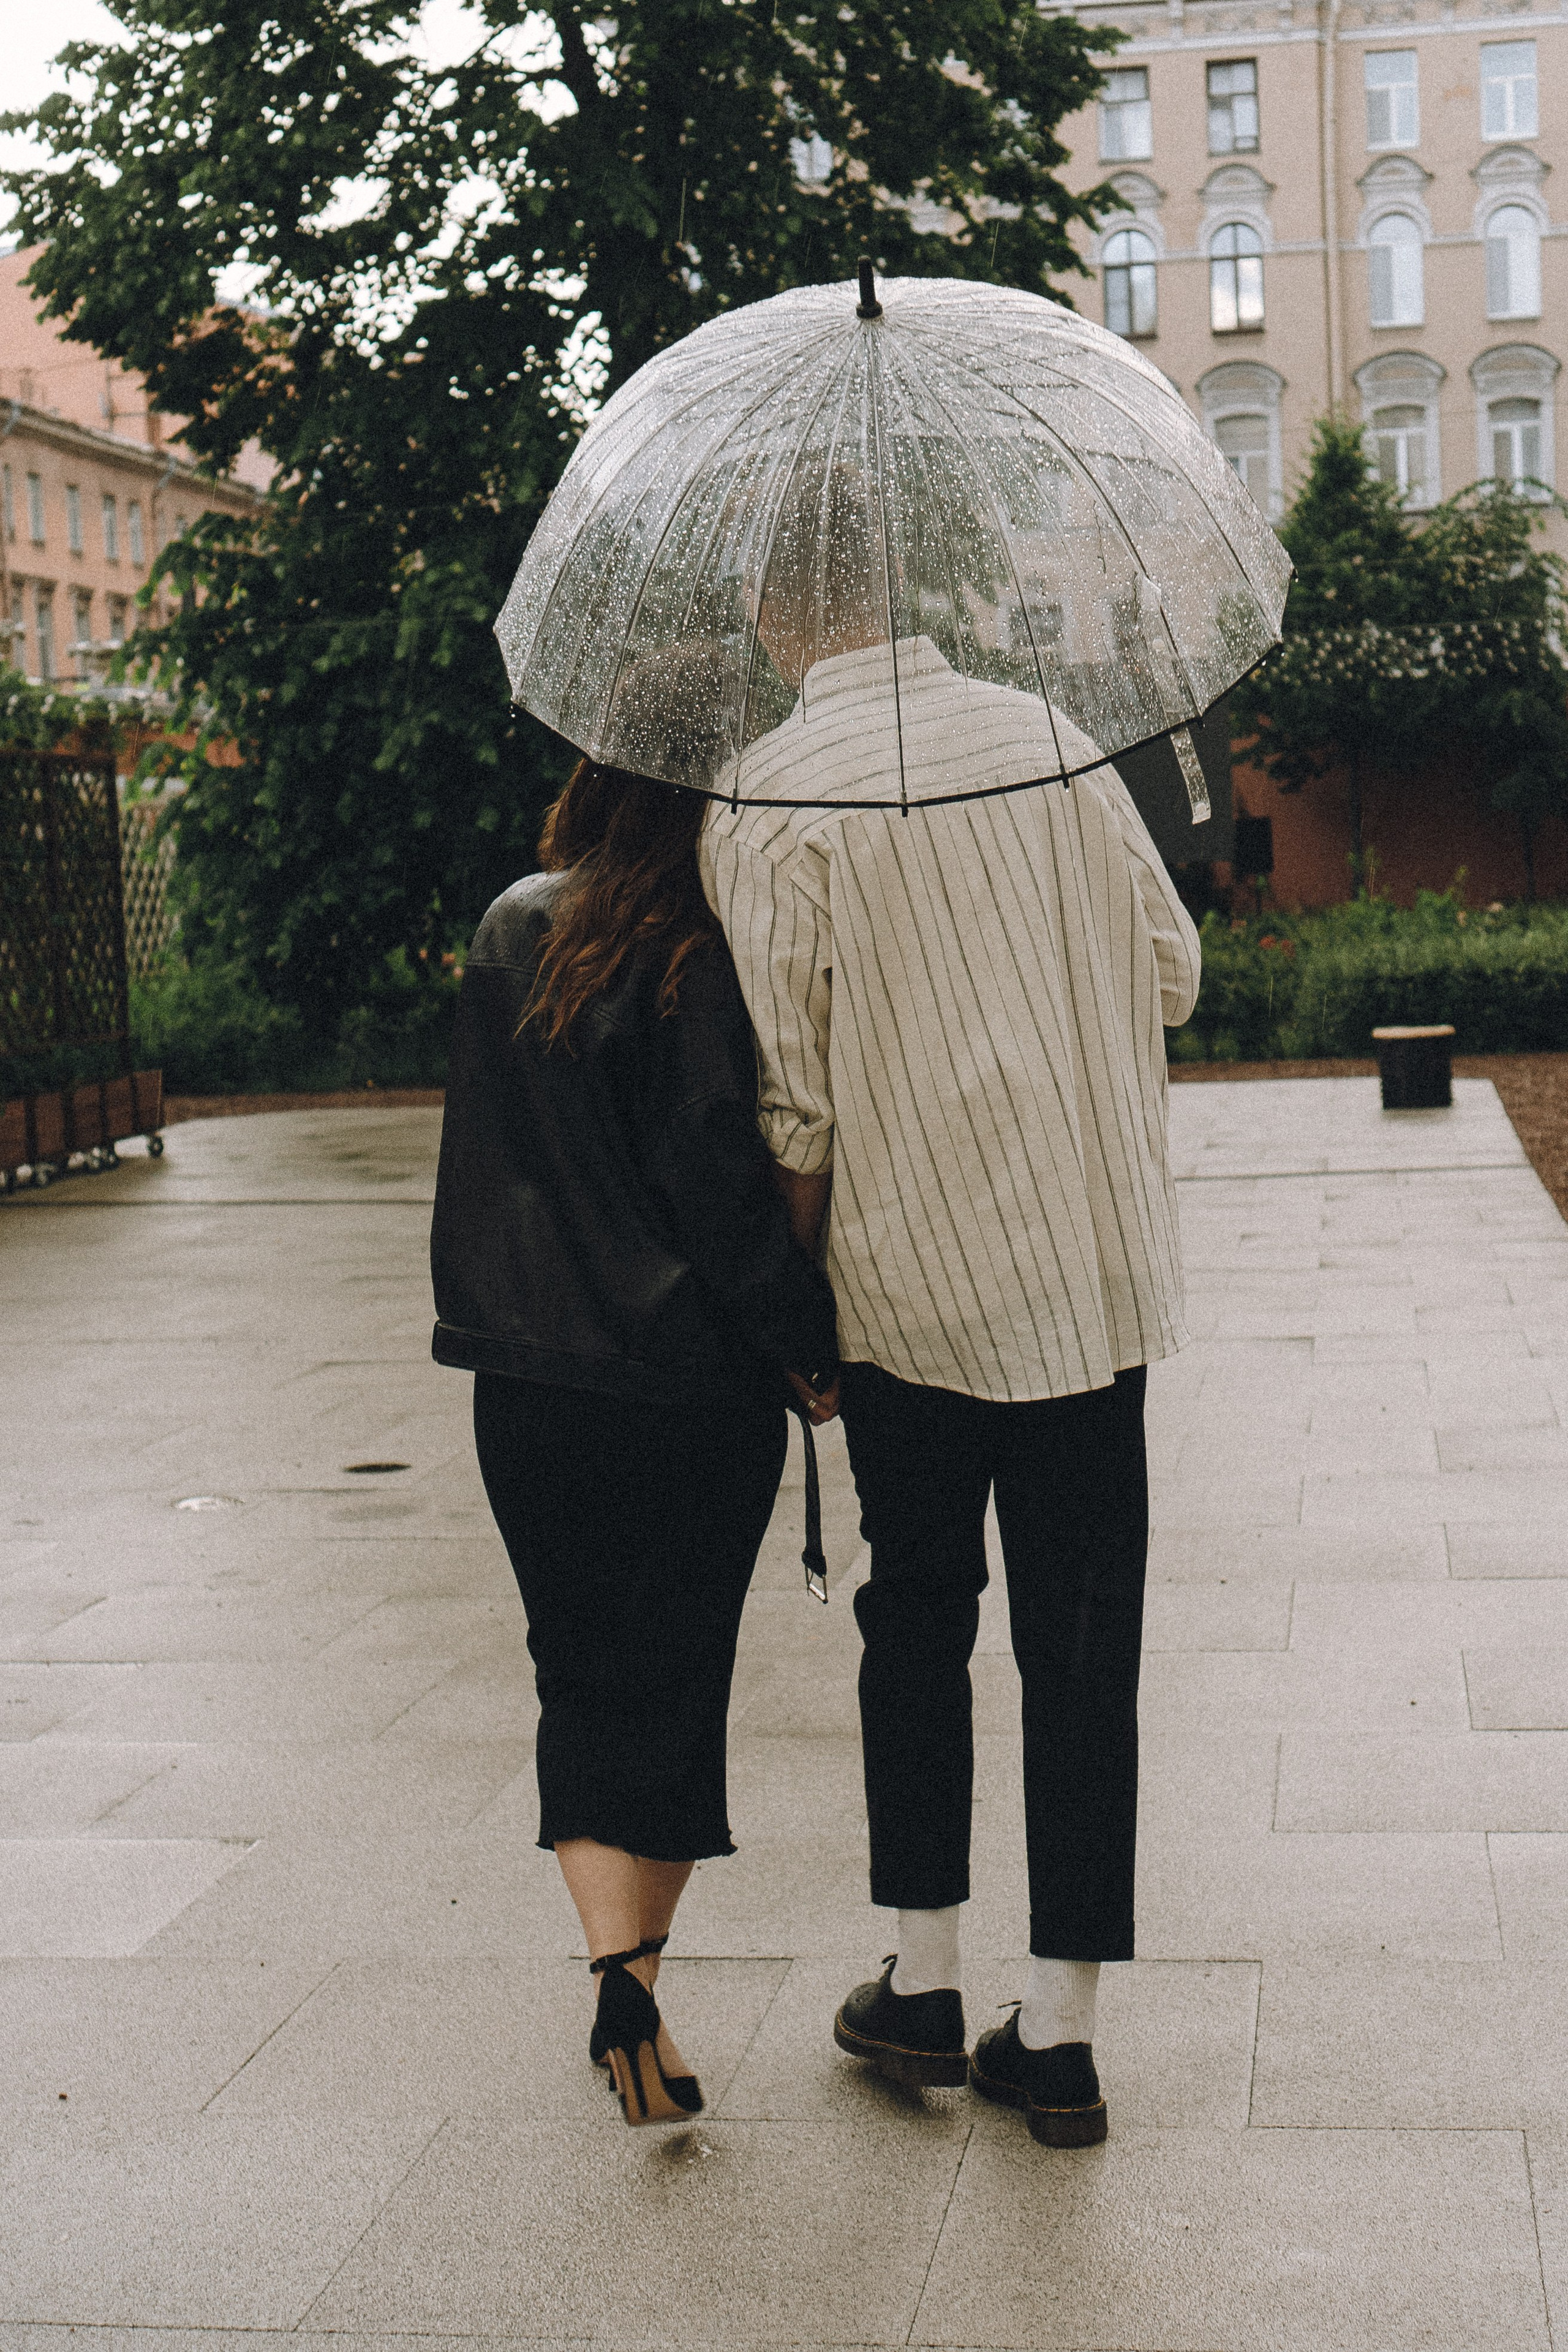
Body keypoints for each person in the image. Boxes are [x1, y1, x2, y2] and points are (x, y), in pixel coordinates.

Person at [699, 469, 1202, 2151]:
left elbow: (794, 1104)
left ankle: (919, 1978)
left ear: (781, 613)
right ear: (907, 584)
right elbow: (1176, 970)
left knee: (915, 1621)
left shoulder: (768, 795)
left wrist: (798, 1315)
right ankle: (1056, 2037)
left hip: (904, 1293)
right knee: (1082, 1642)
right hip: (1088, 1272)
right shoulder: (1055, 737)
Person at [429, 757, 840, 2128]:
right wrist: (806, 1341)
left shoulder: (504, 929)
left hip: (527, 1382)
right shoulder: (693, 957)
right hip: (686, 1395)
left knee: (579, 1670)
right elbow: (720, 1183)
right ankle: (637, 1983)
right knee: (672, 1677)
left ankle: (615, 1972)